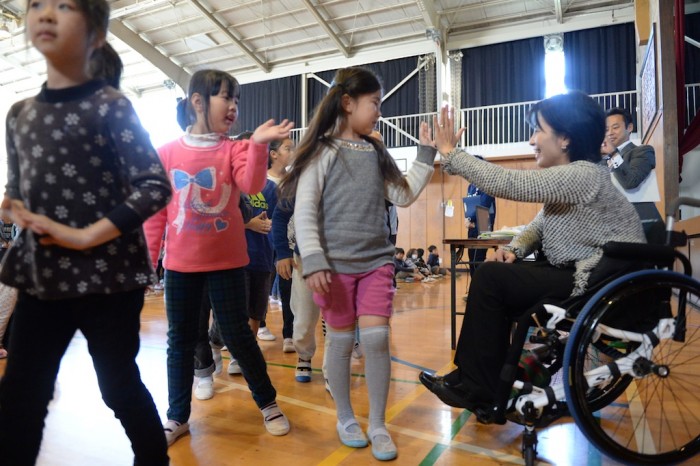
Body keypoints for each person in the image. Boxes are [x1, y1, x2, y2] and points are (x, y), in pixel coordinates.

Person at [0, 1, 172, 464]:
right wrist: (15, 208)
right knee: (20, 398)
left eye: (66, 5)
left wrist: (85, 235)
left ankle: (154, 458)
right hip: (43, 282)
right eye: (36, 4)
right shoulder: (18, 115)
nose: (46, 13)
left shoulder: (112, 106)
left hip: (109, 282)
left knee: (118, 385)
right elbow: (16, 191)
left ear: (95, 33)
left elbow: (155, 185)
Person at [419, 92, 646, 416]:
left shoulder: (581, 175)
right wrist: (514, 250)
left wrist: (451, 154)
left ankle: (477, 386)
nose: (531, 140)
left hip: (593, 281)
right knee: (498, 277)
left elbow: (507, 182)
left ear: (565, 138)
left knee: (490, 278)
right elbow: (539, 225)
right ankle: (478, 380)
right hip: (585, 275)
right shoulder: (578, 177)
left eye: (538, 130)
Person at [280, 66, 437, 461]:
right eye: (375, 104)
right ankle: (346, 417)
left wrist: (426, 154)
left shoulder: (374, 151)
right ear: (348, 103)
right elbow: (305, 209)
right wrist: (313, 259)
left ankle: (379, 423)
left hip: (375, 263)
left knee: (376, 339)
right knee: (338, 341)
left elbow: (402, 195)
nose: (379, 112)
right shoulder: (322, 151)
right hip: (332, 268)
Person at [143, 69, 294, 445]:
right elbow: (156, 212)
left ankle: (268, 402)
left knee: (238, 335)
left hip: (228, 264)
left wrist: (257, 145)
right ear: (198, 102)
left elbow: (252, 184)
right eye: (226, 97)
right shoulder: (165, 154)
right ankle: (177, 416)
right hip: (180, 266)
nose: (233, 106)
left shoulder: (235, 149)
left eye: (236, 100)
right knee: (179, 340)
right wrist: (148, 261)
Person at [603, 108, 664, 244]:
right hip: (612, 228)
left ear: (629, 127)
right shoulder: (603, 160)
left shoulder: (642, 151)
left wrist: (613, 153)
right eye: (606, 129)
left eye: (615, 127)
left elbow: (631, 181)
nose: (610, 133)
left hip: (643, 225)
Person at [267, 138, 296, 353]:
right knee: (261, 288)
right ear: (273, 154)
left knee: (288, 289)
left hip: (290, 243)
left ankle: (289, 333)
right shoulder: (261, 180)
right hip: (265, 241)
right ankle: (257, 325)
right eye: (287, 148)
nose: (292, 151)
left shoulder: (293, 180)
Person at [462, 155, 496, 275]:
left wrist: (471, 218)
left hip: (483, 226)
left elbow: (484, 205)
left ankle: (480, 291)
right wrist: (467, 219)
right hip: (472, 227)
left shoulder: (488, 183)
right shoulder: (471, 186)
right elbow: (469, 205)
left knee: (478, 261)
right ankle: (474, 291)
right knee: (472, 260)